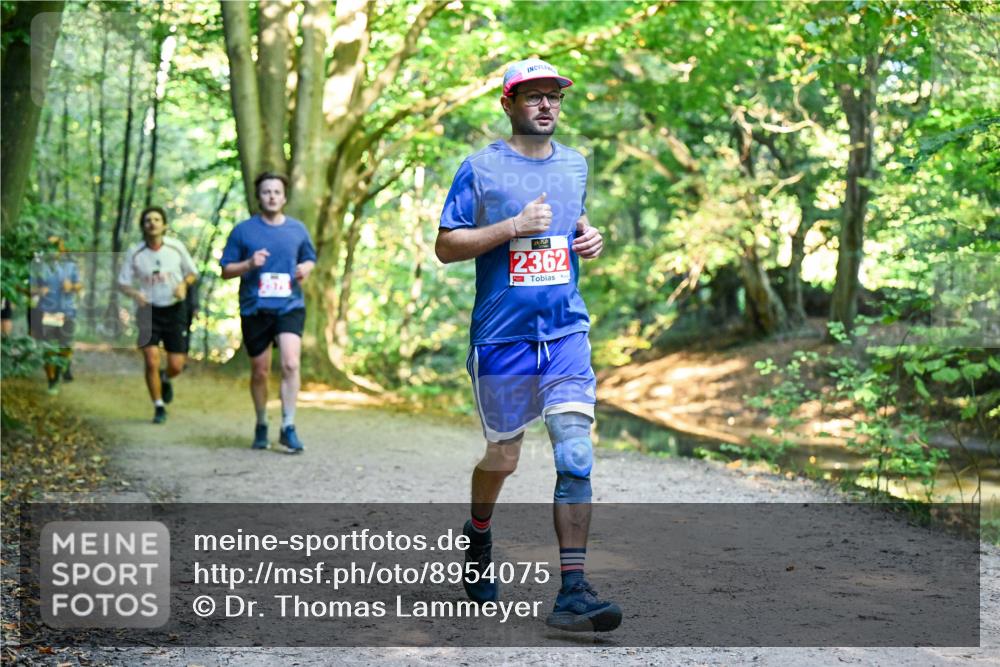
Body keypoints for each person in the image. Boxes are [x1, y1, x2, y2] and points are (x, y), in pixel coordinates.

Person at [435, 58, 618, 632]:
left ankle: (573, 591)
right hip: (502, 340)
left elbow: (573, 221)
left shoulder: (575, 165)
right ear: (508, 104)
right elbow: (446, 245)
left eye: (554, 98)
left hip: (565, 331)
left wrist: (588, 236)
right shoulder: (480, 169)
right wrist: (510, 227)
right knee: (504, 458)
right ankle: (479, 534)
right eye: (533, 97)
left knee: (575, 453)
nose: (546, 106)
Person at [220, 172, 316, 453]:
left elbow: (309, 257)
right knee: (260, 371)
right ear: (258, 197)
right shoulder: (243, 231)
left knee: (290, 364)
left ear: (284, 197)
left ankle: (288, 426)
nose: (272, 196)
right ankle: (262, 422)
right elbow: (226, 270)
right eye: (266, 192)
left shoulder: (297, 230)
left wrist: (306, 268)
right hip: (255, 308)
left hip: (289, 306)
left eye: (276, 191)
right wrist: (249, 263)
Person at [118, 207, 199, 424]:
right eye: (147, 220)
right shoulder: (135, 252)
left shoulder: (175, 247)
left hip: (174, 309)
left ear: (164, 225)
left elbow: (193, 273)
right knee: (151, 360)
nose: (152, 223)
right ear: (143, 226)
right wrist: (135, 294)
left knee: (176, 365)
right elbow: (123, 283)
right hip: (148, 310)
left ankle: (166, 378)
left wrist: (183, 284)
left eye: (156, 219)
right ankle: (159, 406)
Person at [29, 236, 82, 394]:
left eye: (56, 245)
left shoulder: (71, 266)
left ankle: (59, 373)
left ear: (63, 248)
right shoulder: (39, 266)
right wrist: (39, 291)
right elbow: (28, 288)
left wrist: (72, 286)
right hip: (46, 312)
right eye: (50, 246)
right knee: (48, 348)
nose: (54, 249)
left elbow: (79, 285)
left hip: (67, 312)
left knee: (65, 347)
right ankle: (51, 380)